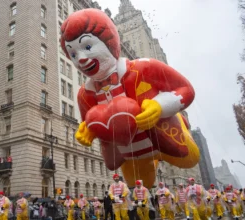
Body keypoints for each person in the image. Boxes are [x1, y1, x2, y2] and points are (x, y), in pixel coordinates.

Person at [61, 8, 199, 189]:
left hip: (164, 138)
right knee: (138, 184)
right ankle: (150, 168)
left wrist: (159, 106)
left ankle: (173, 132)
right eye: (73, 54)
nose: (81, 59)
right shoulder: (84, 95)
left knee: (191, 158)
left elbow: (186, 89)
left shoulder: (144, 67)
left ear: (109, 41)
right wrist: (87, 131)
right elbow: (91, 122)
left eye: (87, 47)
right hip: (129, 153)